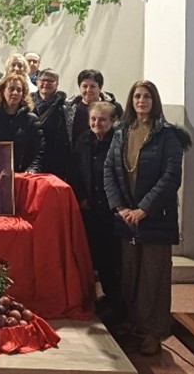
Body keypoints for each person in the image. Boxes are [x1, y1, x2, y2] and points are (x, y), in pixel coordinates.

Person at [104, 81, 191, 356]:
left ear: (155, 101)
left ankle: (153, 332)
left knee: (154, 277)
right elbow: (109, 169)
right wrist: (119, 207)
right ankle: (134, 327)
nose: (141, 101)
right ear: (131, 101)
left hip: (156, 217)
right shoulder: (121, 132)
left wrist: (144, 208)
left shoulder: (168, 135)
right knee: (130, 276)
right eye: (137, 96)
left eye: (147, 96)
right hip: (127, 218)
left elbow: (170, 177)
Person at [69, 101, 123, 324]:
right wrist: (81, 197)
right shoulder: (83, 140)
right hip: (88, 209)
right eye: (93, 119)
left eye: (102, 119)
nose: (97, 123)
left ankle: (114, 305)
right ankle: (89, 298)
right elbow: (74, 170)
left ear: (112, 121)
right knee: (88, 257)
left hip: (110, 212)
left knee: (109, 260)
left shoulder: (118, 142)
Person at [0, 73, 45, 173]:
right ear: (3, 91)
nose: (15, 93)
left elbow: (39, 151)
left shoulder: (31, 120)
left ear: (23, 94)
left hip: (22, 175)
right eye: (11, 89)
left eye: (19, 90)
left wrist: (33, 169)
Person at [65, 69, 123, 147]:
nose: (88, 90)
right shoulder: (69, 109)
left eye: (92, 86)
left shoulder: (114, 108)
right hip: (76, 152)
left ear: (100, 88)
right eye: (84, 86)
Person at [31, 68, 70, 180]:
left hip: (54, 158)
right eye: (43, 80)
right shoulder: (27, 103)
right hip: (31, 156)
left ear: (57, 84)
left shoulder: (64, 107)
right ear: (37, 82)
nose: (46, 83)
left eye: (50, 81)